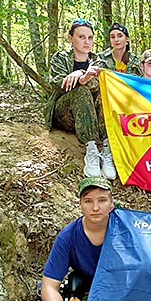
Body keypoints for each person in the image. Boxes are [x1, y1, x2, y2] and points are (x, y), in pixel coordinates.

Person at [22, 177, 114, 301]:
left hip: (119, 300)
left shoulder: (125, 228)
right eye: (88, 201)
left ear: (112, 204)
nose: (95, 208)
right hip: (89, 300)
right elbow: (49, 287)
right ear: (80, 205)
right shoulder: (69, 237)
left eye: (102, 200)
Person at [46, 19, 116, 180]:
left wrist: (80, 75)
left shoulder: (98, 61)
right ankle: (91, 149)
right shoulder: (60, 59)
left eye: (90, 38)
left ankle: (106, 150)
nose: (86, 41)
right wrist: (83, 78)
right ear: (71, 38)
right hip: (65, 113)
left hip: (93, 117)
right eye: (81, 37)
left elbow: (101, 84)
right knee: (81, 92)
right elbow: (58, 84)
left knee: (104, 94)